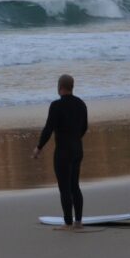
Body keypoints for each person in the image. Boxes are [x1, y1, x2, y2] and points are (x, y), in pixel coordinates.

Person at [32, 74, 88, 231]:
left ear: (60, 87)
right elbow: (84, 127)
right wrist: (75, 139)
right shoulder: (81, 104)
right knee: (75, 186)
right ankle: (78, 222)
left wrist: (39, 147)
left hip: (63, 151)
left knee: (64, 188)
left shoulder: (56, 106)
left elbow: (48, 129)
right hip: (77, 149)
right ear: (72, 87)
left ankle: (68, 223)